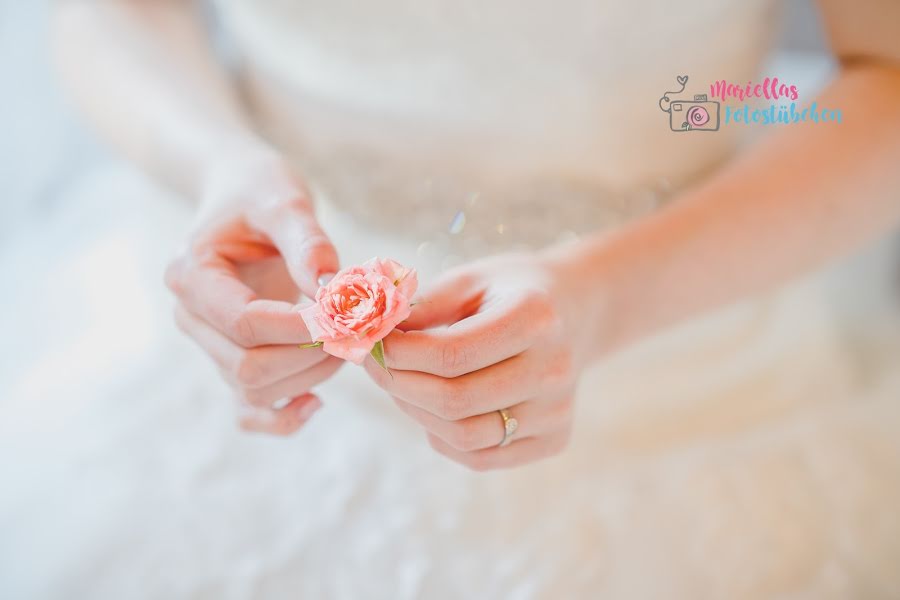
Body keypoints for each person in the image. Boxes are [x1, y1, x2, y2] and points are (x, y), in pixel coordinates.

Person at [40, 0, 900, 596]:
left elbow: (886, 80)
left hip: (687, 300)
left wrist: (603, 295)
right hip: (262, 263)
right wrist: (214, 163)